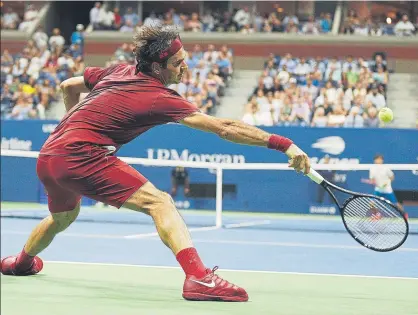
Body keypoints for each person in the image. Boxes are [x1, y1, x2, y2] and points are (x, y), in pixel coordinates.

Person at [0, 25, 310, 302]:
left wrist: (70, 122)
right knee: (161, 203)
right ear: (157, 66)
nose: (184, 67)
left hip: (49, 154)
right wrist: (284, 144)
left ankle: (20, 262)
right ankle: (199, 277)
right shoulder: (157, 96)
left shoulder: (117, 71)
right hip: (82, 156)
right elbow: (224, 127)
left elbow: (68, 85)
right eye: (177, 63)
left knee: (62, 218)